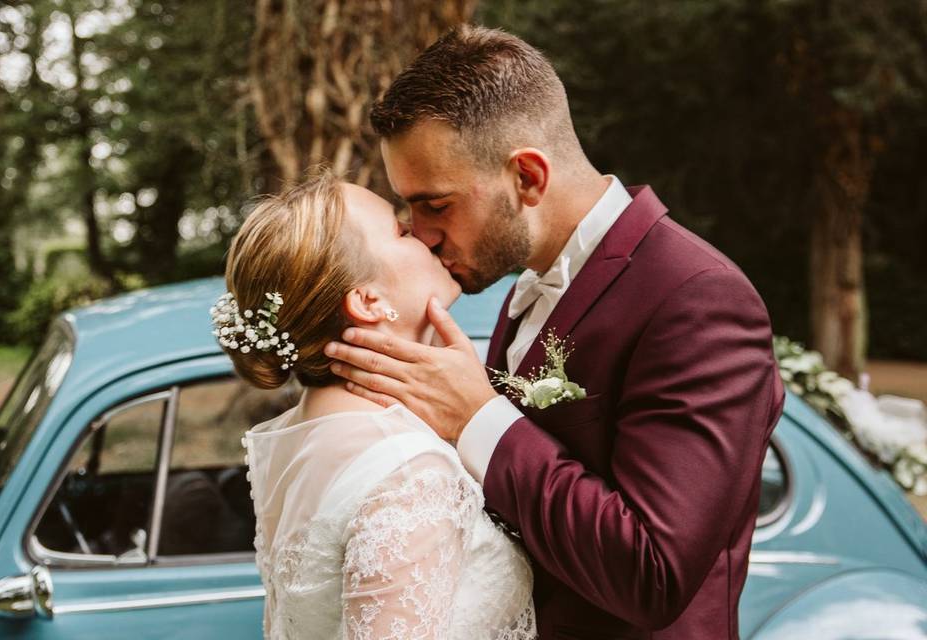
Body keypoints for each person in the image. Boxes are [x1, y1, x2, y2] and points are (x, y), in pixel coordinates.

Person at [325, 26, 786, 639]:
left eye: (436, 204)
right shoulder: (524, 291)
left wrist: (476, 419)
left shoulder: (697, 297)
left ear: (528, 178)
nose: (421, 233)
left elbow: (653, 574)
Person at [212, 170, 536, 639]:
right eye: (402, 232)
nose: (423, 234)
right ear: (367, 300)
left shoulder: (303, 432)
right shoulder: (407, 471)